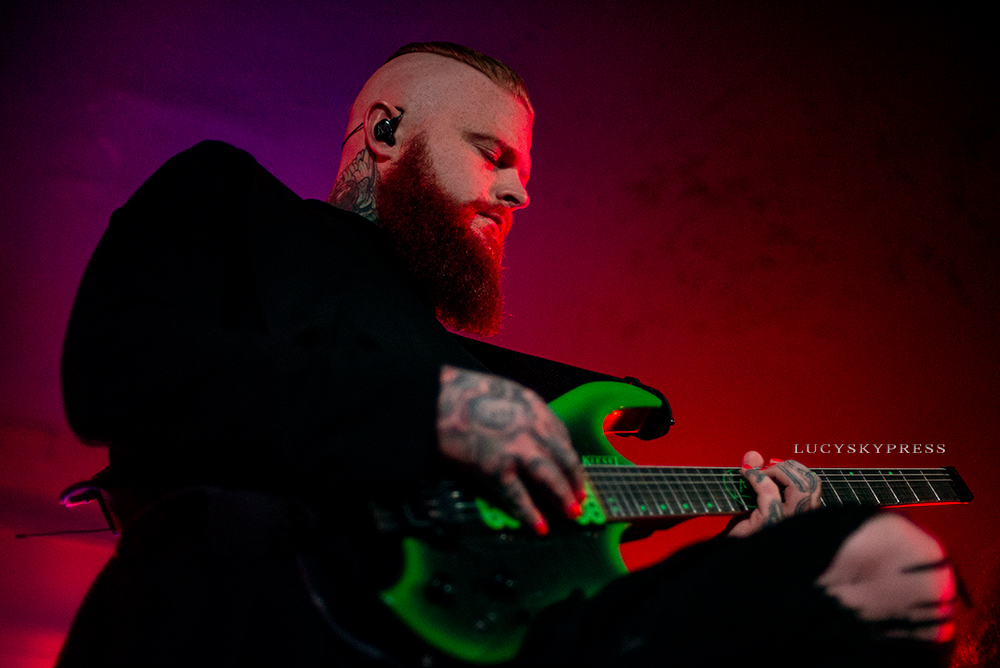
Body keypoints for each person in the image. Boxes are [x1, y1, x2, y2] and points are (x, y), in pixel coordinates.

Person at [56, 42, 958, 667]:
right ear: (386, 131)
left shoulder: (490, 379)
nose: (518, 193)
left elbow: (546, 578)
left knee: (875, 568)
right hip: (241, 615)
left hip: (456, 647)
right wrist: (435, 412)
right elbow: (118, 368)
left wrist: (736, 554)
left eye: (520, 169)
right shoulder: (232, 201)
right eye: (492, 154)